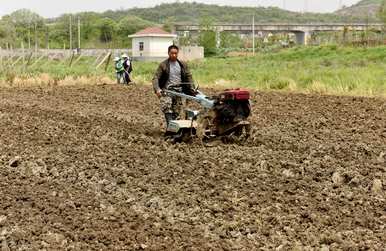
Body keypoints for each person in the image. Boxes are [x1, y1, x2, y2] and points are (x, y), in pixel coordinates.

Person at [152, 44, 196, 129]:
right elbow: (156, 78)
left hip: (179, 91)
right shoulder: (163, 65)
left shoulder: (182, 65)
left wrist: (192, 88)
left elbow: (188, 76)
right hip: (167, 91)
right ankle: (170, 127)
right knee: (167, 106)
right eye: (172, 53)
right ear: (168, 53)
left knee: (177, 112)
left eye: (176, 53)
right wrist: (157, 89)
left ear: (177, 53)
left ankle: (176, 130)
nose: (174, 55)